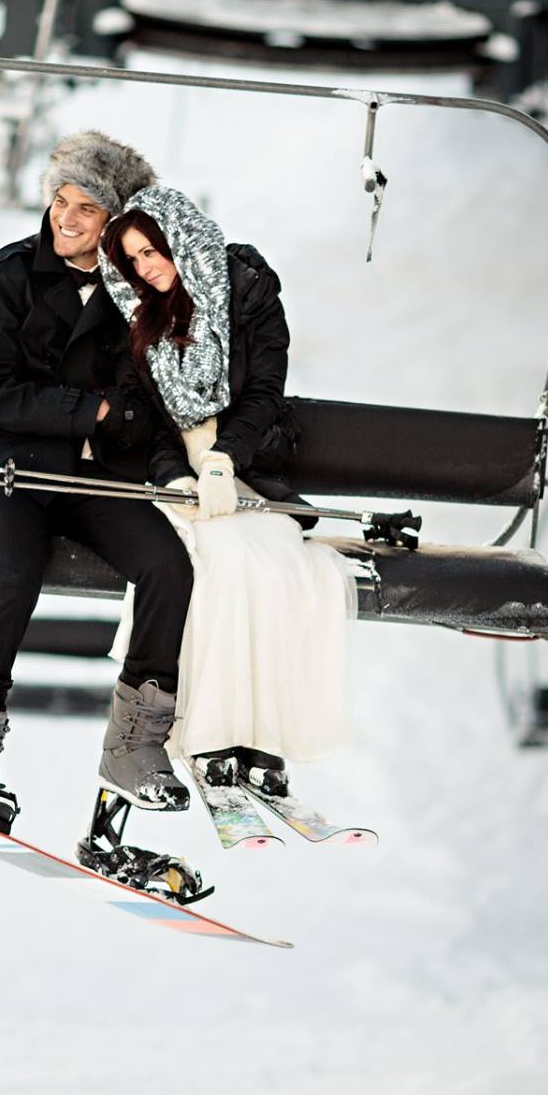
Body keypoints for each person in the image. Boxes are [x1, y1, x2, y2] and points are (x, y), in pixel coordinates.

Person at [0, 132, 194, 835]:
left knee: (168, 566)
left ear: (116, 223)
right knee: (18, 570)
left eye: (87, 209)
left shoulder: (133, 295)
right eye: (61, 201)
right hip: (4, 467)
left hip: (89, 474)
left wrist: (157, 452)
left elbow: (145, 396)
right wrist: (91, 410)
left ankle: (135, 745)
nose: (66, 219)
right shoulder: (6, 274)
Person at [98, 185, 358, 798]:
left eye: (152, 251)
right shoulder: (139, 313)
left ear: (180, 239)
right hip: (181, 480)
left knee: (279, 562)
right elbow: (146, 417)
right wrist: (175, 475)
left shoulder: (247, 290)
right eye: (133, 260)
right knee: (214, 560)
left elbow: (265, 391)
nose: (145, 269)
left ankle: (264, 735)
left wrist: (223, 461)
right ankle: (211, 732)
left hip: (246, 466)